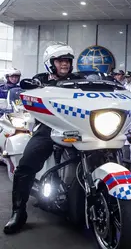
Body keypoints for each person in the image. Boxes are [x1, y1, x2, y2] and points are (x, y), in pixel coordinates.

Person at [3, 43, 77, 234]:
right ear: (50, 63)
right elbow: (30, 98)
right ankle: (18, 212)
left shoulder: (79, 80)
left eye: (68, 61)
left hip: (78, 129)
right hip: (49, 128)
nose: (65, 64)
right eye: (61, 61)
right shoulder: (40, 80)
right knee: (26, 165)